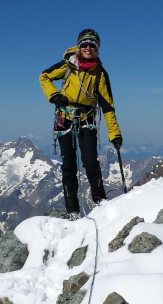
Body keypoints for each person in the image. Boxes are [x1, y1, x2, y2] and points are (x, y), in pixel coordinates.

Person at [39, 29, 123, 220]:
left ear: (97, 49)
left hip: (87, 118)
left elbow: (108, 106)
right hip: (64, 116)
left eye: (92, 45)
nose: (87, 48)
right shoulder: (68, 65)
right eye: (84, 44)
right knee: (69, 164)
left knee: (90, 160)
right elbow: (44, 76)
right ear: (78, 47)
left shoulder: (100, 74)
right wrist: (53, 95)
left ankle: (100, 199)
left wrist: (114, 134)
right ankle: (72, 211)